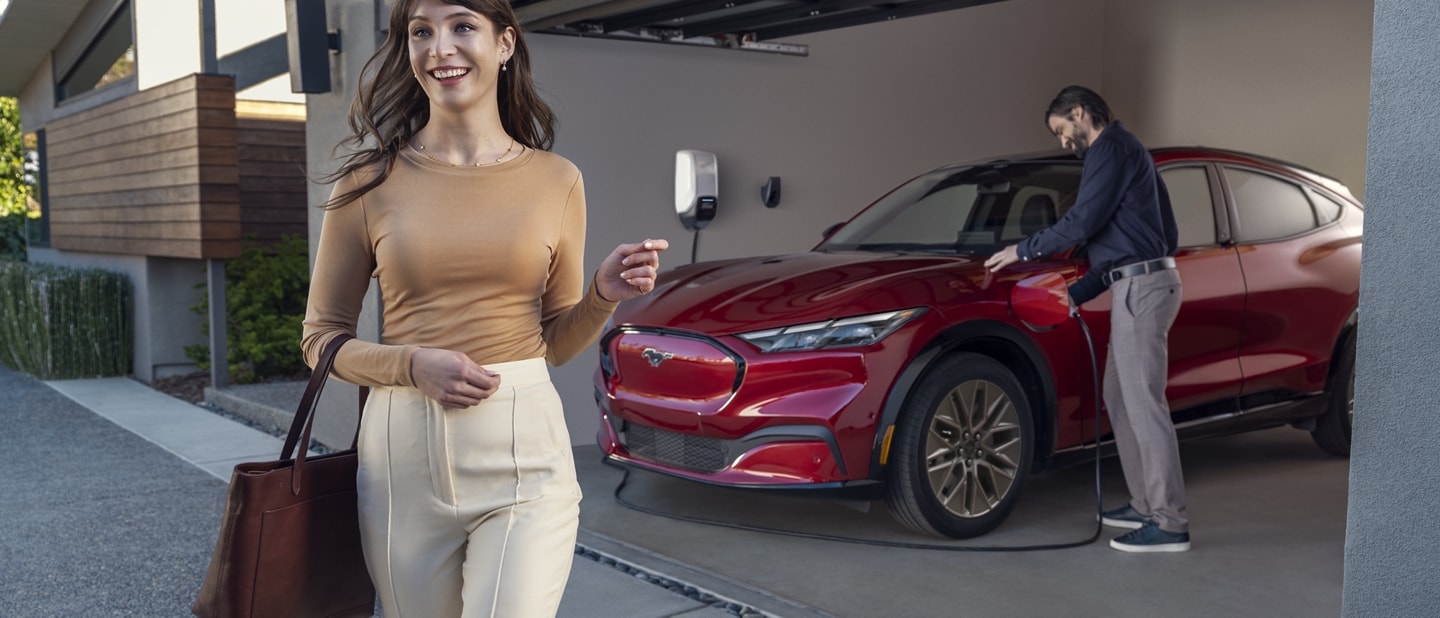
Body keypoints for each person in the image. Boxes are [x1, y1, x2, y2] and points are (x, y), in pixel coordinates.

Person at [300, 0, 670, 614]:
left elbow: (555, 344)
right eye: (421, 31)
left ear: (504, 44)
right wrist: (411, 365)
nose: (439, 47)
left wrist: (603, 296)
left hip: (523, 453)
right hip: (401, 457)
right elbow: (320, 341)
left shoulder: (558, 180)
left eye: (463, 25)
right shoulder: (367, 183)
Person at [984, 85, 1188, 553]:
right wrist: (1074, 295)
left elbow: (1082, 222)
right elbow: (1142, 239)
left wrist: (1023, 250)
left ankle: (1170, 522)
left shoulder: (1109, 147)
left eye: (1061, 130)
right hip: (1136, 284)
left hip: (1142, 289)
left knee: (1144, 405)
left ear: (1079, 112)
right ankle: (1144, 503)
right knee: (1119, 398)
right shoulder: (1127, 152)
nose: (1062, 141)